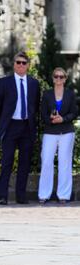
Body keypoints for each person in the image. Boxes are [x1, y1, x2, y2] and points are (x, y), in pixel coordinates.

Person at [0, 51, 41, 205]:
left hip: (27, 126)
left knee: (24, 163)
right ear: (14, 64)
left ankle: (21, 196)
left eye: (23, 63)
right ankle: (3, 195)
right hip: (11, 126)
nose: (20, 65)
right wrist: (4, 119)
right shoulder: (4, 82)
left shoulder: (34, 83)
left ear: (27, 66)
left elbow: (36, 105)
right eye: (18, 62)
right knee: (7, 162)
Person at [38, 67, 78, 204]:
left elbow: (74, 113)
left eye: (61, 77)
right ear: (53, 78)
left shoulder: (70, 94)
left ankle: (64, 195)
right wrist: (50, 118)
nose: (59, 79)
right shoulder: (47, 94)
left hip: (67, 131)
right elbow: (42, 114)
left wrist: (63, 119)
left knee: (64, 163)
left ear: (65, 79)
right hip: (50, 131)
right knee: (47, 161)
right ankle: (44, 194)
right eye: (56, 76)